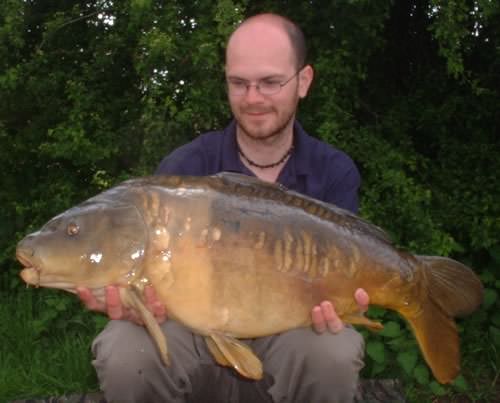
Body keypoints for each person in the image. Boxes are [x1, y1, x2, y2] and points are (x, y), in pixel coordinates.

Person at [78, 13, 370, 403]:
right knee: (125, 347)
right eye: (239, 83)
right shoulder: (185, 168)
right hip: (191, 334)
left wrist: (345, 301)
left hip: (289, 330)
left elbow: (345, 281)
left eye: (269, 82)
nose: (252, 98)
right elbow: (144, 274)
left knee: (332, 351)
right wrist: (132, 302)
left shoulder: (333, 172)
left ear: (303, 81)